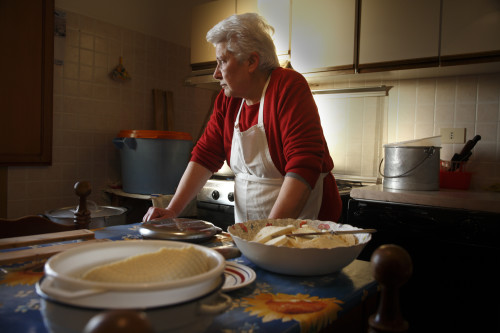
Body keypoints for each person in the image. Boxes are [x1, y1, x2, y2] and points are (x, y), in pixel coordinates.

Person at [143, 13, 342, 223]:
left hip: (303, 225)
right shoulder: (228, 99)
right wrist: (173, 210)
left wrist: (270, 231)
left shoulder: (288, 86)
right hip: (252, 230)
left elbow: (303, 164)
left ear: (251, 61)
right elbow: (204, 155)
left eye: (222, 62)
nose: (216, 74)